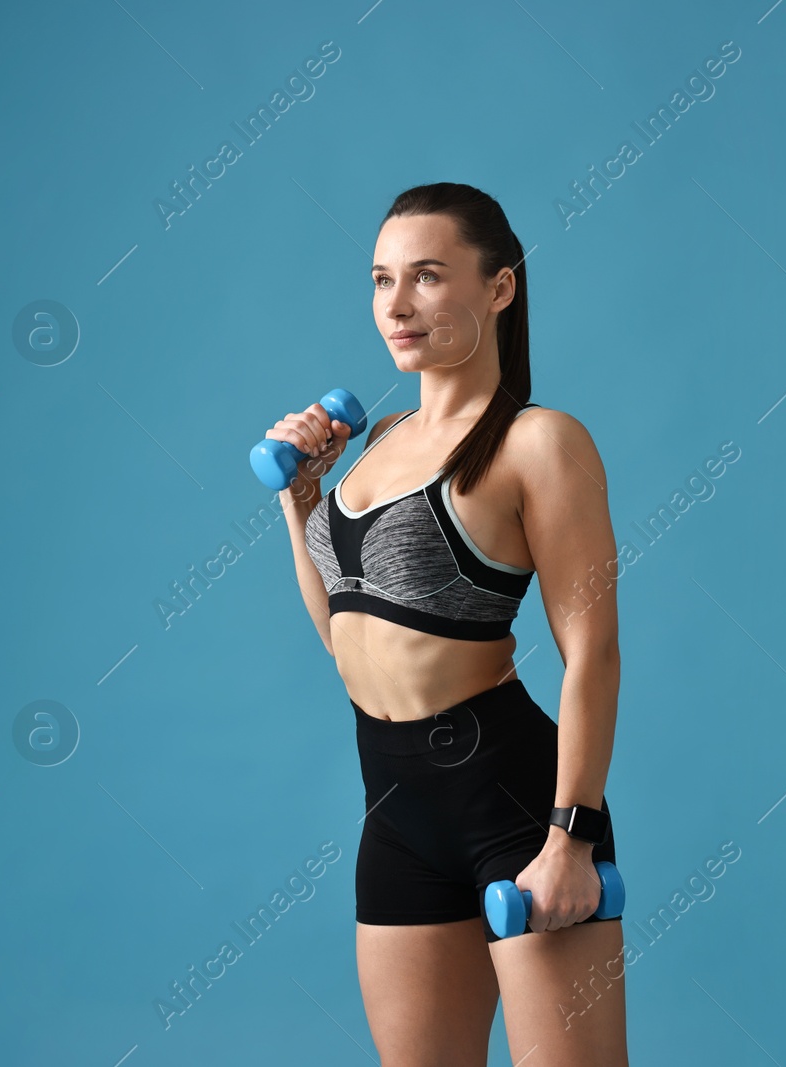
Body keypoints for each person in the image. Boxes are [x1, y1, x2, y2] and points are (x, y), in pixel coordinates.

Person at [267, 182, 629, 1066]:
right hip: (393, 806)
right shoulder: (380, 436)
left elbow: (593, 653)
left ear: (500, 287)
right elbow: (345, 637)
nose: (397, 304)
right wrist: (300, 501)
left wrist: (570, 835)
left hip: (512, 800)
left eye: (427, 276)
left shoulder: (538, 442)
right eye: (382, 278)